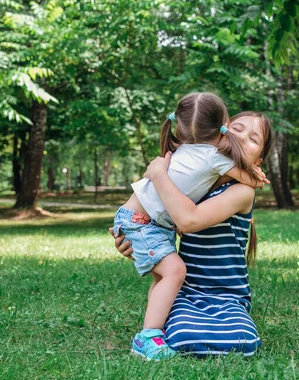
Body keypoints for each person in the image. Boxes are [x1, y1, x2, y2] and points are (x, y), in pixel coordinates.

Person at [112, 93, 268, 360]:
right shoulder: (198, 179)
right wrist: (131, 239)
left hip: (226, 296)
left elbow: (187, 220)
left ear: (259, 160)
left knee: (243, 341)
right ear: (219, 134)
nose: (242, 138)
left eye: (253, 139)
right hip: (189, 291)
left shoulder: (240, 191)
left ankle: (154, 334)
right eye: (237, 130)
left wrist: (158, 173)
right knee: (184, 335)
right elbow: (157, 213)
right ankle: (150, 335)